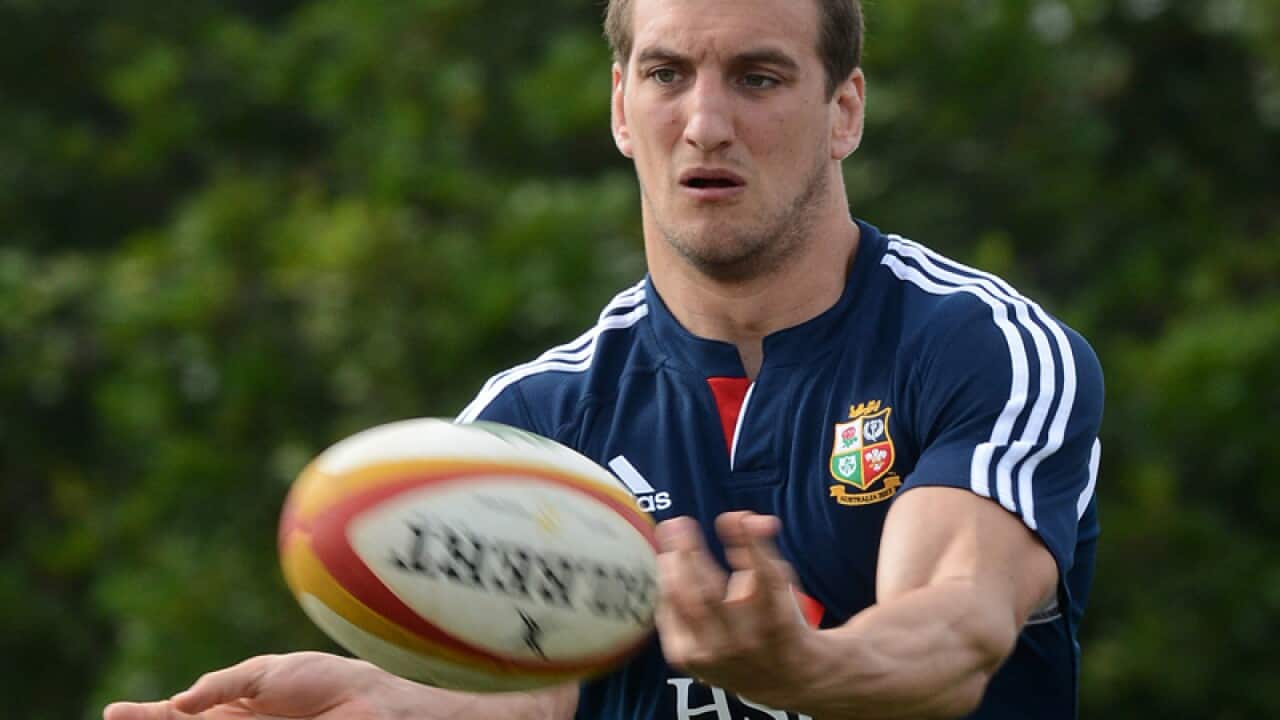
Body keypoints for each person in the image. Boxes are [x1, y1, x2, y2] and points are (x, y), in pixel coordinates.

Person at [104, 0, 1104, 718]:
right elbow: (535, 701)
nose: (705, 124)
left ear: (843, 111)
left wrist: (803, 670)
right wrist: (384, 703)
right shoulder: (532, 421)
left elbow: (952, 638)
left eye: (757, 77)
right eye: (667, 74)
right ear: (622, 107)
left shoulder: (982, 349)